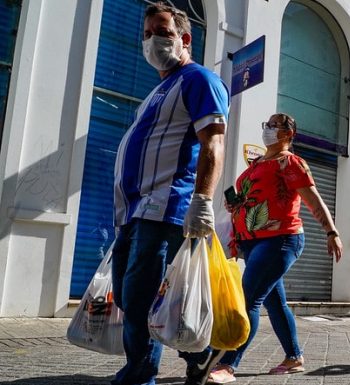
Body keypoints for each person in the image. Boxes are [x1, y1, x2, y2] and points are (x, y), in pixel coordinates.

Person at [110, 4, 229, 385]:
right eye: (145, 34)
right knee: (137, 298)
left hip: (165, 208)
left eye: (160, 31)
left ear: (185, 38)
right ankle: (201, 354)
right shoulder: (157, 92)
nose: (151, 41)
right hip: (133, 212)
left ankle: (140, 372)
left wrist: (203, 200)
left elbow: (213, 144)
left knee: (143, 297)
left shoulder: (199, 80)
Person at [206, 113, 343, 384]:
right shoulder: (257, 163)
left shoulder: (290, 162)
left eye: (275, 125)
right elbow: (254, 198)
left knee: (249, 299)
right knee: (275, 303)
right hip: (252, 242)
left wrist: (332, 231)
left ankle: (227, 363)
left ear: (288, 135)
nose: (268, 128)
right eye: (267, 124)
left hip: (280, 240)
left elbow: (313, 200)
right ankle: (294, 357)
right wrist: (237, 206)